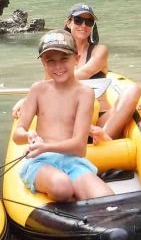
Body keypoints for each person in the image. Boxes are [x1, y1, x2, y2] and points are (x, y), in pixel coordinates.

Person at [13, 30, 114, 202]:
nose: (58, 67)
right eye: (50, 61)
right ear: (43, 64)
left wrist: (46, 146)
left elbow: (79, 147)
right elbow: (18, 134)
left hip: (72, 161)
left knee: (106, 198)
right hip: (40, 162)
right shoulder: (38, 89)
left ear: (76, 58)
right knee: (62, 187)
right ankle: (69, 196)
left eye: (64, 59)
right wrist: (28, 135)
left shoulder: (85, 93)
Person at [64, 3, 141, 142]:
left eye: (89, 21)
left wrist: (57, 80)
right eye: (78, 20)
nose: (83, 25)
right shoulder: (57, 54)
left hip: (100, 117)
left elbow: (85, 73)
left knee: (133, 90)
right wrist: (29, 99)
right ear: (69, 23)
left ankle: (102, 139)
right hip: (69, 116)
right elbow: (47, 84)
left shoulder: (100, 50)